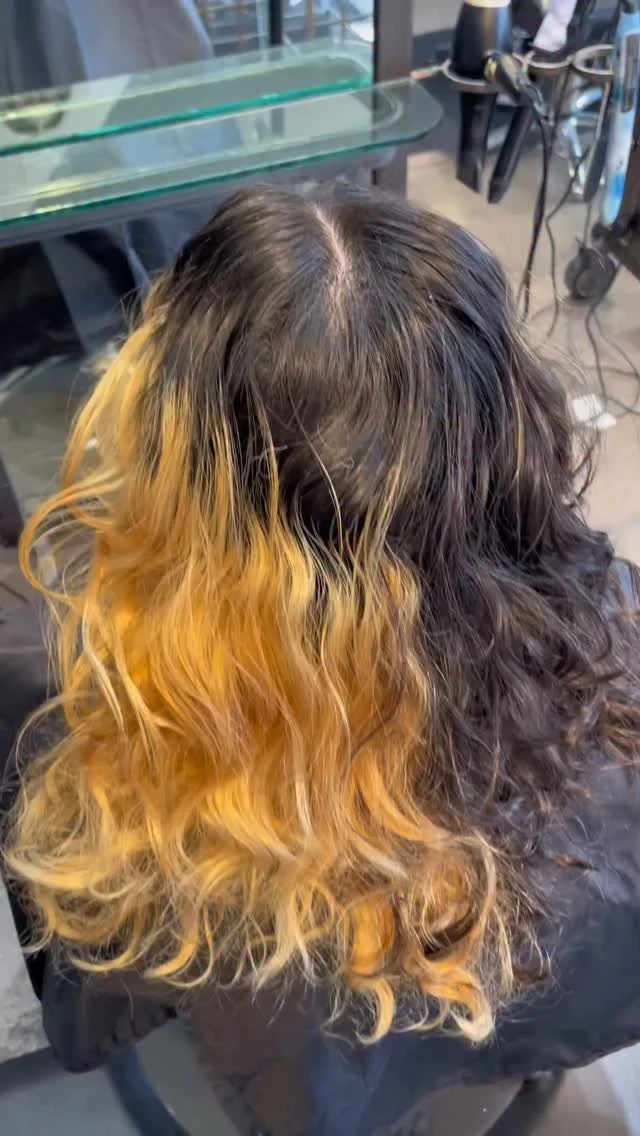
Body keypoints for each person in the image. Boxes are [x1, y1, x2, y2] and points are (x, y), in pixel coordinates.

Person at [3, 184, 640, 1135]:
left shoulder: (93, 733)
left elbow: (90, 1002)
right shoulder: (615, 636)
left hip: (278, 1091)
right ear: (505, 426)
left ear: (174, 452)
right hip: (498, 1045)